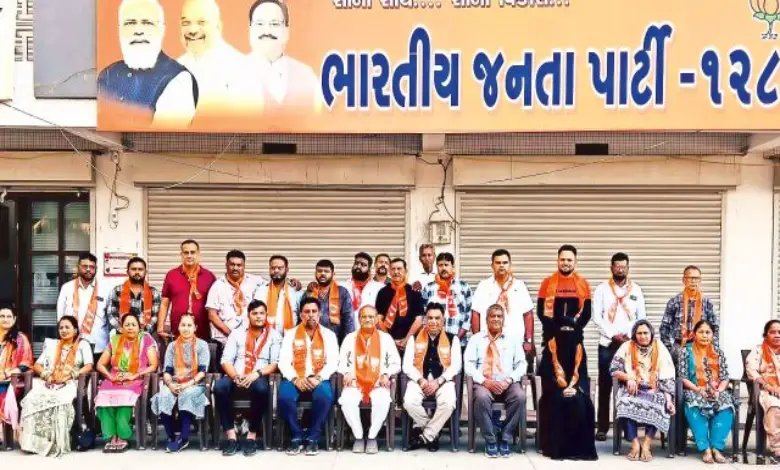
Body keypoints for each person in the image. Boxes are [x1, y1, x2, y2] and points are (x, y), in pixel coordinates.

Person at [98, 0, 198, 128]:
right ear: (120, 29)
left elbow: (159, 141)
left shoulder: (178, 79)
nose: (138, 31)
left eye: (147, 23)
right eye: (130, 23)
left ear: (161, 29)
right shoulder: (107, 75)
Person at [214, 299, 281, 456]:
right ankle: (231, 436)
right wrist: (236, 376)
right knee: (219, 387)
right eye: (255, 313)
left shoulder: (274, 335)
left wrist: (255, 374)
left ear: (266, 315)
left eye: (261, 313)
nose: (258, 317)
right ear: (248, 315)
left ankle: (251, 436)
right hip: (236, 373)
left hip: (258, 375)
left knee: (261, 389)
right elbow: (226, 360)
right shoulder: (237, 334)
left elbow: (275, 363)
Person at [19, 316, 93, 456]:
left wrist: (72, 374)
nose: (64, 330)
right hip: (50, 381)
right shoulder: (53, 346)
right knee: (31, 399)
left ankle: (56, 442)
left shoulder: (83, 345)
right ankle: (34, 443)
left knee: (60, 401)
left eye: (67, 327)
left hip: (71, 382)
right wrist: (47, 375)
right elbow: (37, 365)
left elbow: (89, 365)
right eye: (61, 328)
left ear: (75, 330)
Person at [593, 252, 647, 441]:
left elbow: (642, 318)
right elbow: (596, 317)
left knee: (628, 385)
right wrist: (612, 335)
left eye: (624, 266)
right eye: (617, 266)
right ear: (611, 268)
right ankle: (602, 427)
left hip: (629, 345)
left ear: (628, 268)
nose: (620, 269)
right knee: (605, 385)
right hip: (607, 344)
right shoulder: (601, 289)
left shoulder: (636, 290)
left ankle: (626, 428)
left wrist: (630, 337)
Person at [277, 297, 339, 456]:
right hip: (295, 377)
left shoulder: (329, 335)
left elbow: (333, 362)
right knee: (284, 397)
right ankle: (296, 436)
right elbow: (283, 362)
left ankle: (313, 438)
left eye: (314, 311)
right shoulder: (290, 334)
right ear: (301, 315)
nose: (311, 315)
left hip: (318, 378)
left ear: (319, 314)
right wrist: (295, 379)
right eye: (307, 311)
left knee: (325, 396)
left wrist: (318, 378)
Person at [464, 304, 527, 458]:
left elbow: (522, 364)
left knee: (520, 396)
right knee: (481, 397)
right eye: (493, 316)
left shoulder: (512, 339)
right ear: (486, 319)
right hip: (485, 383)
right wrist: (484, 381)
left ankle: (505, 437)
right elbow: (468, 364)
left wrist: (509, 380)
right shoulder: (476, 339)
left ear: (503, 319)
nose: (496, 319)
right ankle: (491, 440)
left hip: (507, 383)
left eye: (499, 316)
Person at [338, 306, 401, 454]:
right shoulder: (349, 338)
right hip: (354, 383)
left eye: (371, 317)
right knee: (346, 400)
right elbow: (341, 362)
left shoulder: (385, 338)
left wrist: (386, 373)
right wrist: (346, 372)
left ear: (376, 319)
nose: (367, 319)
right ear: (359, 319)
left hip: (378, 382)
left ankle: (372, 436)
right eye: (364, 316)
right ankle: (359, 436)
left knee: (383, 400)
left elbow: (396, 363)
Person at [610, 320, 675, 462]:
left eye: (646, 333)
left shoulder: (660, 347)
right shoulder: (627, 346)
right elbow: (614, 369)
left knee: (660, 402)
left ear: (651, 334)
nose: (643, 336)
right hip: (632, 387)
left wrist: (669, 399)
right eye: (639, 333)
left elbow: (668, 374)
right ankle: (635, 445)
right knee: (624, 401)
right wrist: (629, 378)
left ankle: (646, 445)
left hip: (654, 388)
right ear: (634, 334)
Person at [94, 313, 158, 453]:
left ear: (139, 327)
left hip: (135, 379)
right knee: (103, 400)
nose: (130, 328)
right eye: (127, 325)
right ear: (121, 327)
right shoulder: (115, 341)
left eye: (133, 325)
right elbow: (100, 364)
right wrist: (110, 376)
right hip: (115, 379)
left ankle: (123, 436)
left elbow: (153, 365)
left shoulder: (146, 339)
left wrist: (136, 374)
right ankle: (112, 436)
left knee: (123, 400)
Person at [402, 303, 462, 452]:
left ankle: (425, 436)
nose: (433, 321)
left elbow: (456, 366)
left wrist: (439, 381)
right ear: (424, 320)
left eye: (437, 318)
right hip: (419, 379)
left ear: (443, 321)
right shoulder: (413, 339)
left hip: (443, 380)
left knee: (448, 403)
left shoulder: (452, 339)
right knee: (409, 402)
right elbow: (407, 366)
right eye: (430, 318)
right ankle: (434, 433)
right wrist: (421, 380)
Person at [537, 315, 598, 461]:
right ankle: (559, 449)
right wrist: (561, 388)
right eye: (563, 328)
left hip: (576, 388)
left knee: (582, 403)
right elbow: (545, 374)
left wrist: (576, 388)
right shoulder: (549, 349)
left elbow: (583, 375)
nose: (567, 332)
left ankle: (579, 449)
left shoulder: (579, 349)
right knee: (560, 401)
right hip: (554, 390)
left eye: (570, 329)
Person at [245, 0, 321, 113]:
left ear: (286, 31)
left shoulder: (307, 76)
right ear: (250, 29)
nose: (267, 31)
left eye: (274, 24)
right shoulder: (234, 75)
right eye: (260, 24)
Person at [150, 313, 210, 453]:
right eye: (183, 325)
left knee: (187, 395)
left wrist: (187, 384)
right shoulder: (172, 346)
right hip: (175, 383)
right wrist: (170, 384)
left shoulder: (202, 345)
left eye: (189, 325)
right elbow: (167, 371)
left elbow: (203, 371)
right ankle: (171, 436)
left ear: (195, 328)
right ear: (178, 327)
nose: (186, 328)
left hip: (195, 384)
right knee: (163, 395)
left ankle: (184, 437)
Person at [679, 320, 735, 464]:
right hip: (694, 389)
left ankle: (716, 448)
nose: (704, 335)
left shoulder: (718, 352)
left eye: (707, 332)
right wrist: (698, 389)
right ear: (695, 334)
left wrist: (719, 390)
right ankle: (705, 448)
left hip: (716, 390)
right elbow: (683, 377)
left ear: (712, 335)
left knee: (727, 404)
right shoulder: (686, 350)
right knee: (694, 404)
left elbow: (725, 377)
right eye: (701, 332)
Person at [176, 0, 245, 109]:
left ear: (218, 27)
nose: (192, 30)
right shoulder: (176, 67)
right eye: (186, 23)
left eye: (201, 22)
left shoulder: (240, 68)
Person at [472, 249, 534, 355]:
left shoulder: (519, 286)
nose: (501, 265)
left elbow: (528, 314)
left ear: (510, 265)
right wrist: (477, 340)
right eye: (498, 263)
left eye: (505, 263)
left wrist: (528, 340)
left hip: (514, 342)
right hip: (488, 343)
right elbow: (475, 314)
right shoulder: (483, 286)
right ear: (492, 265)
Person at [158, 239, 217, 342]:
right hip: (178, 332)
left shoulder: (209, 276)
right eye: (186, 252)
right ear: (181, 255)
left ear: (198, 254)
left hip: (202, 333)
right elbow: (164, 304)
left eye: (192, 252)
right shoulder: (172, 275)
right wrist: (160, 328)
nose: (189, 255)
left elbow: (215, 307)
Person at [660, 265, 719, 364]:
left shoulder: (707, 302)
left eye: (696, 278)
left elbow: (715, 327)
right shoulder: (674, 302)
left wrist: (713, 347)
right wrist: (669, 349)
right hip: (680, 346)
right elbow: (664, 327)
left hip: (702, 347)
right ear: (683, 280)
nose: (693, 281)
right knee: (680, 378)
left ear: (700, 281)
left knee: (701, 377)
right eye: (690, 278)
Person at [206, 250, 264, 348]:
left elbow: (275, 283)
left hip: (250, 340)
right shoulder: (217, 286)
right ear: (226, 265)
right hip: (224, 342)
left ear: (244, 266)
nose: (235, 268)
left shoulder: (255, 281)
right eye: (232, 264)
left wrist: (292, 283)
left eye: (239, 265)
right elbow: (212, 315)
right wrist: (231, 335)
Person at [57, 252, 110, 359]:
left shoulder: (105, 289)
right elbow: (60, 316)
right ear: (78, 267)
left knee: (95, 375)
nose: (88, 269)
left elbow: (110, 317)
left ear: (96, 268)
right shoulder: (67, 288)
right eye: (85, 266)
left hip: (98, 345)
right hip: (71, 345)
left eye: (92, 267)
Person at [537, 245, 592, 344]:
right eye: (562, 259)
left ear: (575, 262)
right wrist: (557, 330)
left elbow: (587, 314)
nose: (565, 263)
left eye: (569, 260)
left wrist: (574, 328)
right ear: (557, 261)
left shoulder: (583, 283)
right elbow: (541, 312)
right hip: (551, 338)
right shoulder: (547, 282)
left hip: (575, 339)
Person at [746, 320, 780, 462]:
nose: (777, 335)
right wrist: (768, 386)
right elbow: (751, 371)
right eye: (773, 332)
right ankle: (777, 448)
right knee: (774, 406)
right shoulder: (759, 350)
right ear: (765, 335)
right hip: (766, 391)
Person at [421, 252, 472, 343]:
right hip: (433, 342)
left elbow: (468, 314)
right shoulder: (428, 288)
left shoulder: (463, 287)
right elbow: (424, 315)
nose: (443, 268)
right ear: (437, 267)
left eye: (446, 265)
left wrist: (457, 339)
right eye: (440, 265)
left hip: (459, 340)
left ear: (452, 267)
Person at [376, 258, 424, 355]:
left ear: (405, 271)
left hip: (410, 342)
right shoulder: (382, 292)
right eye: (393, 269)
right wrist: (390, 340)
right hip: (388, 343)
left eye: (399, 269)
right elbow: (378, 318)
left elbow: (419, 319)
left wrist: (406, 340)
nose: (396, 272)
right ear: (389, 271)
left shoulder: (414, 291)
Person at [0, 306, 33, 437]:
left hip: (11, 380)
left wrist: (7, 373)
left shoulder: (20, 339)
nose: (5, 319)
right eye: (2, 316)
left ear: (14, 319)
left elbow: (25, 363)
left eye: (9, 317)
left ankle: (2, 434)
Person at [106, 257, 161, 335]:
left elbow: (155, 317)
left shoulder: (154, 292)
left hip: (145, 337)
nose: (137, 272)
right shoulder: (117, 291)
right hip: (121, 336)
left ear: (145, 272)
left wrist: (142, 333)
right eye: (134, 269)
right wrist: (123, 331)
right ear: (128, 272)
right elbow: (111, 315)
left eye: (140, 269)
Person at [305, 259, 354, 344]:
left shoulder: (342, 292)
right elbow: (302, 319)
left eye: (326, 271)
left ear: (333, 274)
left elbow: (348, 320)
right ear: (315, 274)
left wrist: (347, 343)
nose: (323, 273)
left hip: (336, 342)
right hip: (312, 342)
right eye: (319, 271)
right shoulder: (309, 293)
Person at [253, 255, 302, 335]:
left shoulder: (295, 292)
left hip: (289, 340)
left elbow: (302, 317)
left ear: (287, 269)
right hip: (266, 340)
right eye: (273, 268)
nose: (276, 270)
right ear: (269, 269)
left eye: (280, 268)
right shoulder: (261, 290)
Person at [344, 252, 384, 324]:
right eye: (356, 263)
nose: (358, 266)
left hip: (371, 331)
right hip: (348, 333)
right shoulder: (343, 287)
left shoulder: (379, 288)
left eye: (363, 265)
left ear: (369, 269)